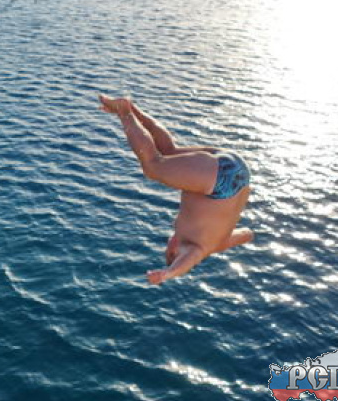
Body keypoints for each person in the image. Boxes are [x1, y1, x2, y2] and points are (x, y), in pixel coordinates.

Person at [99, 94, 254, 284]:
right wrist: (167, 273)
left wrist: (226, 240)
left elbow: (247, 234)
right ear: (174, 253)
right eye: (170, 252)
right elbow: (187, 263)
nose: (170, 244)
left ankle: (132, 110)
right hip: (221, 182)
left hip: (239, 170)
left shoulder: (218, 243)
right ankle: (124, 112)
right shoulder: (195, 249)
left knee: (169, 152)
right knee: (153, 167)